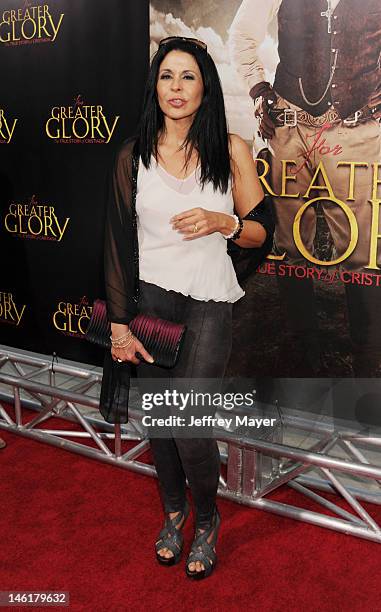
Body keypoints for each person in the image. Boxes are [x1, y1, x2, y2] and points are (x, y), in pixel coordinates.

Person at [103, 36, 268, 579]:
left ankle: (207, 519)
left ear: (206, 86)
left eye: (188, 76)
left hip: (208, 304)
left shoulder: (232, 148)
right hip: (152, 306)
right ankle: (173, 512)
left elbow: (263, 232)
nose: (176, 88)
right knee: (159, 423)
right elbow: (116, 244)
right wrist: (121, 324)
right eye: (167, 76)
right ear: (155, 85)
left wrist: (224, 223)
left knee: (189, 423)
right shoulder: (134, 154)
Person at [229, 0, 381, 376]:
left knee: (362, 254)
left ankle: (367, 366)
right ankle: (302, 356)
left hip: (357, 129)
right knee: (289, 246)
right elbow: (242, 33)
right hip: (291, 125)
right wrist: (259, 88)